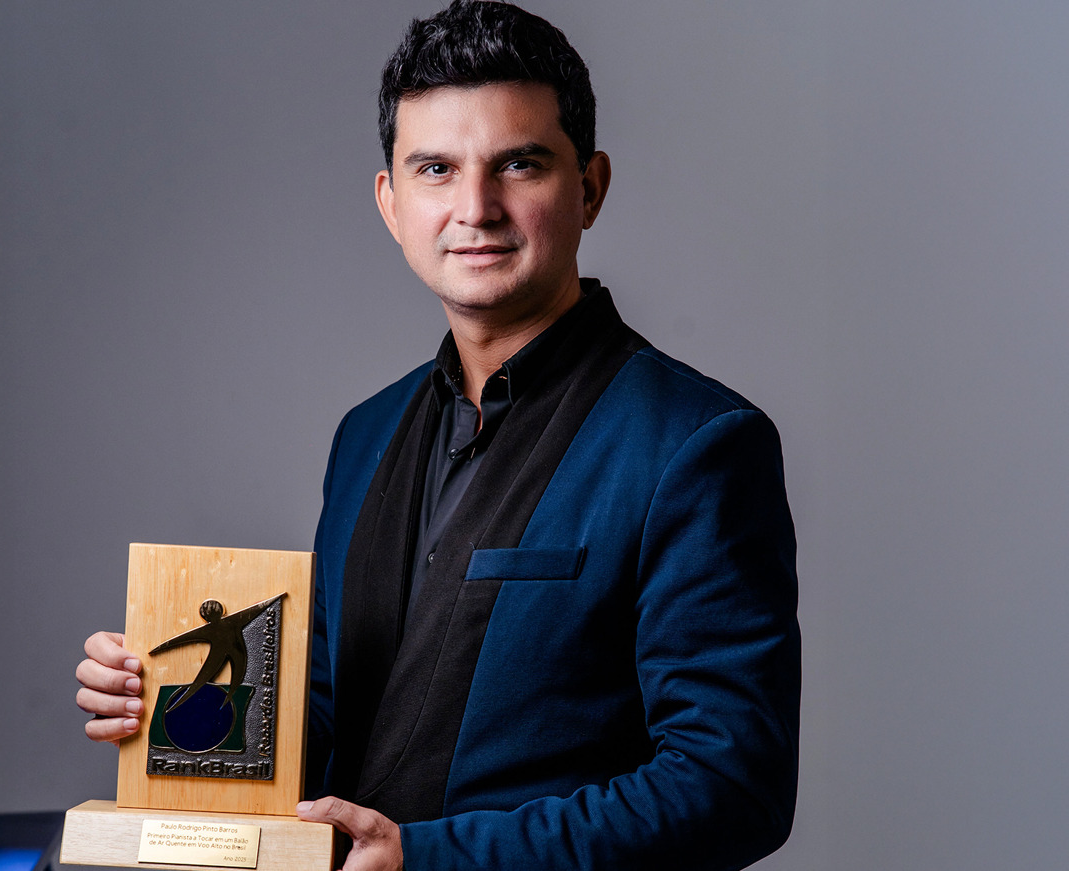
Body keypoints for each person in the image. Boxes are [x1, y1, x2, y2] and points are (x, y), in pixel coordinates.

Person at [75, 2, 801, 869]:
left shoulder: (695, 443)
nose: (475, 208)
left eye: (520, 163)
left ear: (590, 187)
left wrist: (429, 858)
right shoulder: (365, 435)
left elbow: (731, 784)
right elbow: (328, 724)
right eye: (436, 169)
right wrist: (164, 703)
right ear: (391, 202)